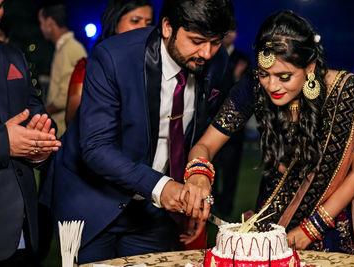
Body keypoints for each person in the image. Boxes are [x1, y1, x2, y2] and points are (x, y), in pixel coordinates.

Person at [40, 0, 236, 264]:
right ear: (167, 27)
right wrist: (162, 186)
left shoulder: (217, 60)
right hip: (91, 200)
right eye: (197, 41)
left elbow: (196, 132)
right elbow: (96, 147)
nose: (207, 53)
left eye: (215, 42)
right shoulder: (114, 57)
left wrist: (189, 196)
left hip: (152, 212)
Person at [187, 10, 354, 254]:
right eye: (264, 74)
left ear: (310, 68)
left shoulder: (348, 95)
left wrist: (312, 228)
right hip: (272, 222)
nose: (272, 86)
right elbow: (204, 146)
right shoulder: (254, 86)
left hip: (329, 221)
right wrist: (198, 175)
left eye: (284, 77)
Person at [0, 0, 62, 265]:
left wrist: (39, 142)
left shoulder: (13, 56)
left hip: (19, 229)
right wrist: (5, 143)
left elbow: (38, 115)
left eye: (0, 3)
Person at [65, 0, 154, 125]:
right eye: (135, 21)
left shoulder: (153, 67)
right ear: (115, 22)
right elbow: (73, 120)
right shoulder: (89, 67)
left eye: (148, 23)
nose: (143, 28)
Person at [211, 28, 251, 219]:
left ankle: (226, 208)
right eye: (226, 31)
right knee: (213, 167)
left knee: (231, 169)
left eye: (233, 31)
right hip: (213, 121)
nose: (229, 34)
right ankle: (213, 204)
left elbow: (247, 91)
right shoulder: (211, 55)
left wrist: (237, 77)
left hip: (236, 129)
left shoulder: (242, 58)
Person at [38, 4, 87, 137]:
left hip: (65, 130)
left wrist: (43, 112)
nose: (41, 28)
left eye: (41, 23)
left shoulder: (70, 48)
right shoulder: (63, 47)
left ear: (49, 23)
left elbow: (66, 94)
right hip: (60, 128)